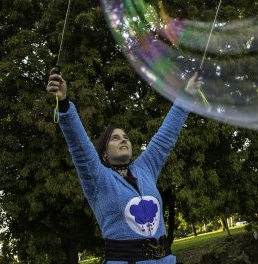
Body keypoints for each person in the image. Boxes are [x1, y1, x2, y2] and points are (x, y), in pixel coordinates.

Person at [46, 70, 202, 264]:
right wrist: (63, 103)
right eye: (115, 138)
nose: (123, 140)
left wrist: (186, 96)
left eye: (126, 137)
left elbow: (166, 136)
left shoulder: (145, 169)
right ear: (104, 153)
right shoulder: (98, 178)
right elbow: (79, 146)